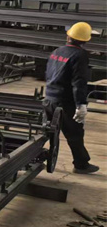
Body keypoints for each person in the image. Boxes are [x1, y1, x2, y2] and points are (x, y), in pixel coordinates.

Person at [44, 22, 98, 174]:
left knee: (46, 132)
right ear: (85, 40)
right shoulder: (80, 55)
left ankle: (33, 156)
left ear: (68, 36)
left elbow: (48, 73)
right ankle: (81, 165)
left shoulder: (57, 51)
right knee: (75, 134)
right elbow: (79, 82)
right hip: (65, 102)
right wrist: (81, 104)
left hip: (49, 98)